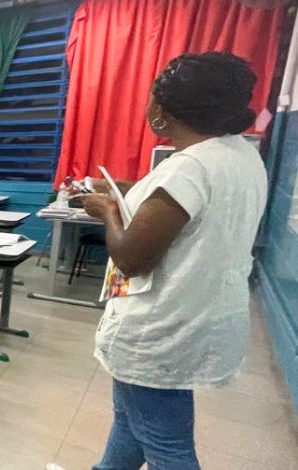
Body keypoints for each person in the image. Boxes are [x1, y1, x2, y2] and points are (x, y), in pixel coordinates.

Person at [50, 52, 267, 470]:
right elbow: (174, 203)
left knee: (169, 448)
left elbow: (131, 258)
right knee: (131, 423)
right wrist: (120, 187)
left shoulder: (188, 168)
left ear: (163, 112)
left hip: (162, 328)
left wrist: (106, 209)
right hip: (201, 316)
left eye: (151, 95)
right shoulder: (238, 156)